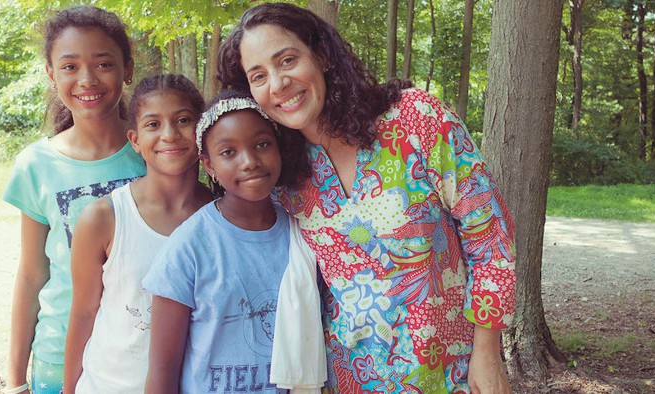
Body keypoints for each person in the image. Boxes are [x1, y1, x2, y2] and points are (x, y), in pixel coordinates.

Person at [218, 3, 517, 394]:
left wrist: (487, 353)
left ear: (321, 56)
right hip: (349, 378)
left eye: (287, 60)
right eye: (259, 76)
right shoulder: (282, 176)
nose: (277, 84)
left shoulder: (416, 120)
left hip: (453, 373)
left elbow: (490, 235)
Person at [1, 6, 145, 394]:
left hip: (141, 358)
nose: (86, 79)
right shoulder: (36, 164)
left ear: (127, 69)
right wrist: (15, 381)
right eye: (69, 67)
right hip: (58, 361)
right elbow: (32, 274)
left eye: (103, 64)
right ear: (51, 74)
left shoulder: (158, 154)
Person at [142, 90, 306, 393]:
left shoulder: (302, 233)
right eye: (228, 152)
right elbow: (162, 371)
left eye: (262, 145)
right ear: (209, 166)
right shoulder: (189, 246)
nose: (249, 162)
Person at [62, 74, 212, 394]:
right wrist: (69, 388)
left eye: (183, 120)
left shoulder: (223, 216)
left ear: (202, 130)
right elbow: (84, 311)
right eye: (153, 125)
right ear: (135, 140)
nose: (169, 134)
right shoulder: (105, 218)